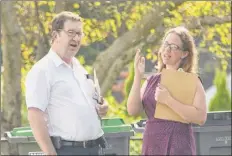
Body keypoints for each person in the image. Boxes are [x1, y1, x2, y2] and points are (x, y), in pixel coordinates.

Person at [25, 11, 108, 155]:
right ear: (55, 35)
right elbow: (34, 114)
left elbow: (89, 101)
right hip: (67, 150)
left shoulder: (79, 67)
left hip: (95, 148)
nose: (76, 38)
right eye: (71, 32)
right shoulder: (42, 70)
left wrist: (102, 106)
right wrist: (50, 153)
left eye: (79, 33)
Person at [127, 26, 207, 155]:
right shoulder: (151, 80)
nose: (167, 49)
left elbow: (201, 117)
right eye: (166, 44)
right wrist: (137, 76)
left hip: (179, 147)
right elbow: (132, 110)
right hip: (152, 145)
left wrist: (168, 100)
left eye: (174, 47)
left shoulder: (192, 81)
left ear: (185, 53)